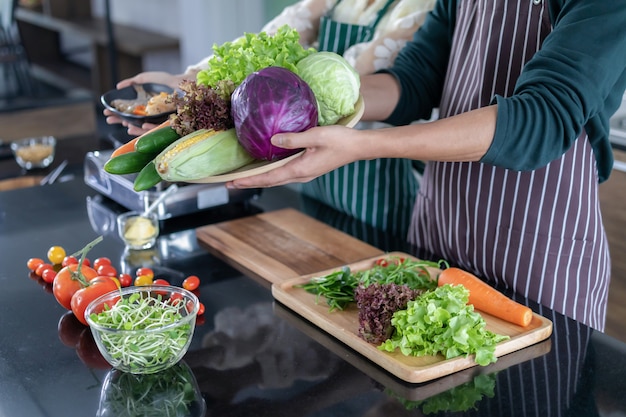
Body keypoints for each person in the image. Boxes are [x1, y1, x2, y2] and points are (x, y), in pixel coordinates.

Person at [228, 0, 626, 332]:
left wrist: (363, 145)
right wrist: (295, 100)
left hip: (539, 253)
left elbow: (540, 120)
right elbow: (415, 81)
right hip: (441, 230)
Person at [104, 0, 436, 239]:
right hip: (313, 176)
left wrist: (218, 101)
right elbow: (274, 37)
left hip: (375, 188)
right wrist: (190, 83)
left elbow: (335, 78)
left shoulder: (417, 8)